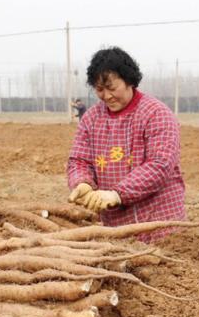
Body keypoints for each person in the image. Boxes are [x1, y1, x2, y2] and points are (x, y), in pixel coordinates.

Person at [66, 47, 186, 242]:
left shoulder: (156, 114)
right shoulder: (91, 118)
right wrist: (82, 183)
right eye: (99, 89)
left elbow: (159, 165)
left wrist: (117, 194)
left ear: (129, 80)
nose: (106, 96)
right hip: (116, 232)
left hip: (161, 227)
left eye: (112, 88)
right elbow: (79, 160)